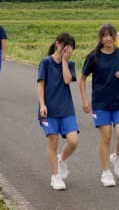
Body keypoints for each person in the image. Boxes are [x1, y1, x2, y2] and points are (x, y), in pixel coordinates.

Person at [80, 24, 119, 187]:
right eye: (104, 35)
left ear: (115, 36)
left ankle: (117, 158)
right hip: (101, 103)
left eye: (110, 35)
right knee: (105, 137)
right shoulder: (94, 56)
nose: (108, 38)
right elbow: (82, 78)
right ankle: (106, 172)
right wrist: (85, 100)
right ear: (100, 38)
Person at [37, 33, 79, 190]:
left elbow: (67, 80)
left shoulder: (70, 64)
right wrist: (42, 105)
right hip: (49, 109)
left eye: (71, 48)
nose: (67, 50)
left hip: (66, 109)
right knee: (53, 141)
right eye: (65, 47)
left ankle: (61, 160)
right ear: (57, 44)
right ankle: (55, 176)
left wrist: (64, 61)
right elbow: (40, 85)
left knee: (74, 141)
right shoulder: (46, 62)